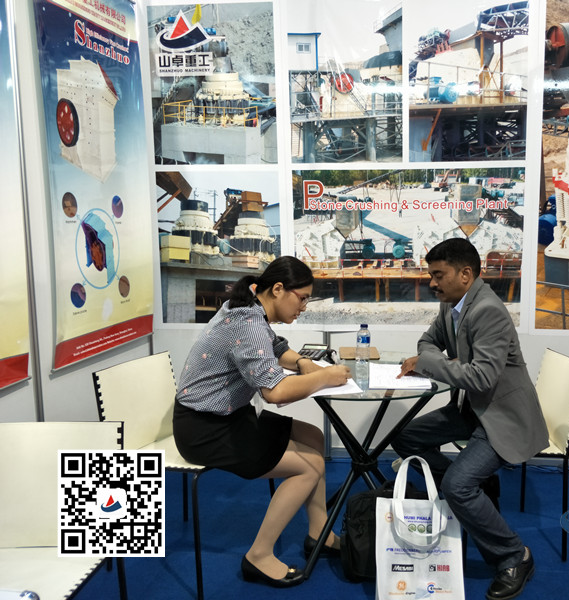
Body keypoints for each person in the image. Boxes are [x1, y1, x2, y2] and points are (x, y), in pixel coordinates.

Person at [173, 256, 350, 589]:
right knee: (309, 467)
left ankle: (319, 533)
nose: (304, 307)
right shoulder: (247, 322)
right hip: (205, 430)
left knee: (313, 436)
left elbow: (275, 347)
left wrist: (302, 363)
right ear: (278, 289)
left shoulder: (249, 309)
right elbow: (275, 392)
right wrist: (325, 376)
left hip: (231, 417)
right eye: (302, 298)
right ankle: (259, 555)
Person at [392, 238, 548, 600]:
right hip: (471, 410)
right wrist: (433, 359)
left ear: (465, 274)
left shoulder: (487, 311)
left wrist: (428, 363)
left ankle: (515, 556)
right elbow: (427, 341)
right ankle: (470, 490)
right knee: (403, 438)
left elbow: (481, 378)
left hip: (500, 417)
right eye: (431, 275)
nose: (432, 282)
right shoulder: (452, 304)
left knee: (457, 486)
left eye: (438, 275)